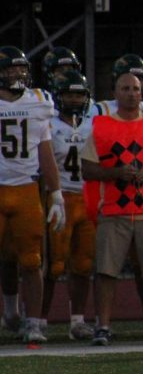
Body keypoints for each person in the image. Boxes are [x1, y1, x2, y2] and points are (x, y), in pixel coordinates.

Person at [81, 70, 143, 346]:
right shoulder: (101, 126)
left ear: (142, 92)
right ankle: (103, 326)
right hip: (114, 207)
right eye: (125, 88)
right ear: (115, 93)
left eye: (135, 89)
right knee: (106, 270)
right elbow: (87, 169)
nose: (131, 93)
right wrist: (116, 172)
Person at [0, 47, 62, 344]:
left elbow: (45, 150)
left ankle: (34, 322)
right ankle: (11, 312)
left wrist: (57, 192)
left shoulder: (39, 102)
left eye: (21, 69)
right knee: (7, 260)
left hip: (26, 189)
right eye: (12, 69)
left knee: (31, 260)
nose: (18, 74)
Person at [43, 70, 97, 342]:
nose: (75, 100)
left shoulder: (94, 123)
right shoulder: (50, 125)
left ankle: (77, 320)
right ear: (58, 96)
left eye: (79, 94)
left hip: (86, 198)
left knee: (83, 265)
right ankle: (39, 320)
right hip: (61, 199)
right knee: (53, 265)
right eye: (69, 94)